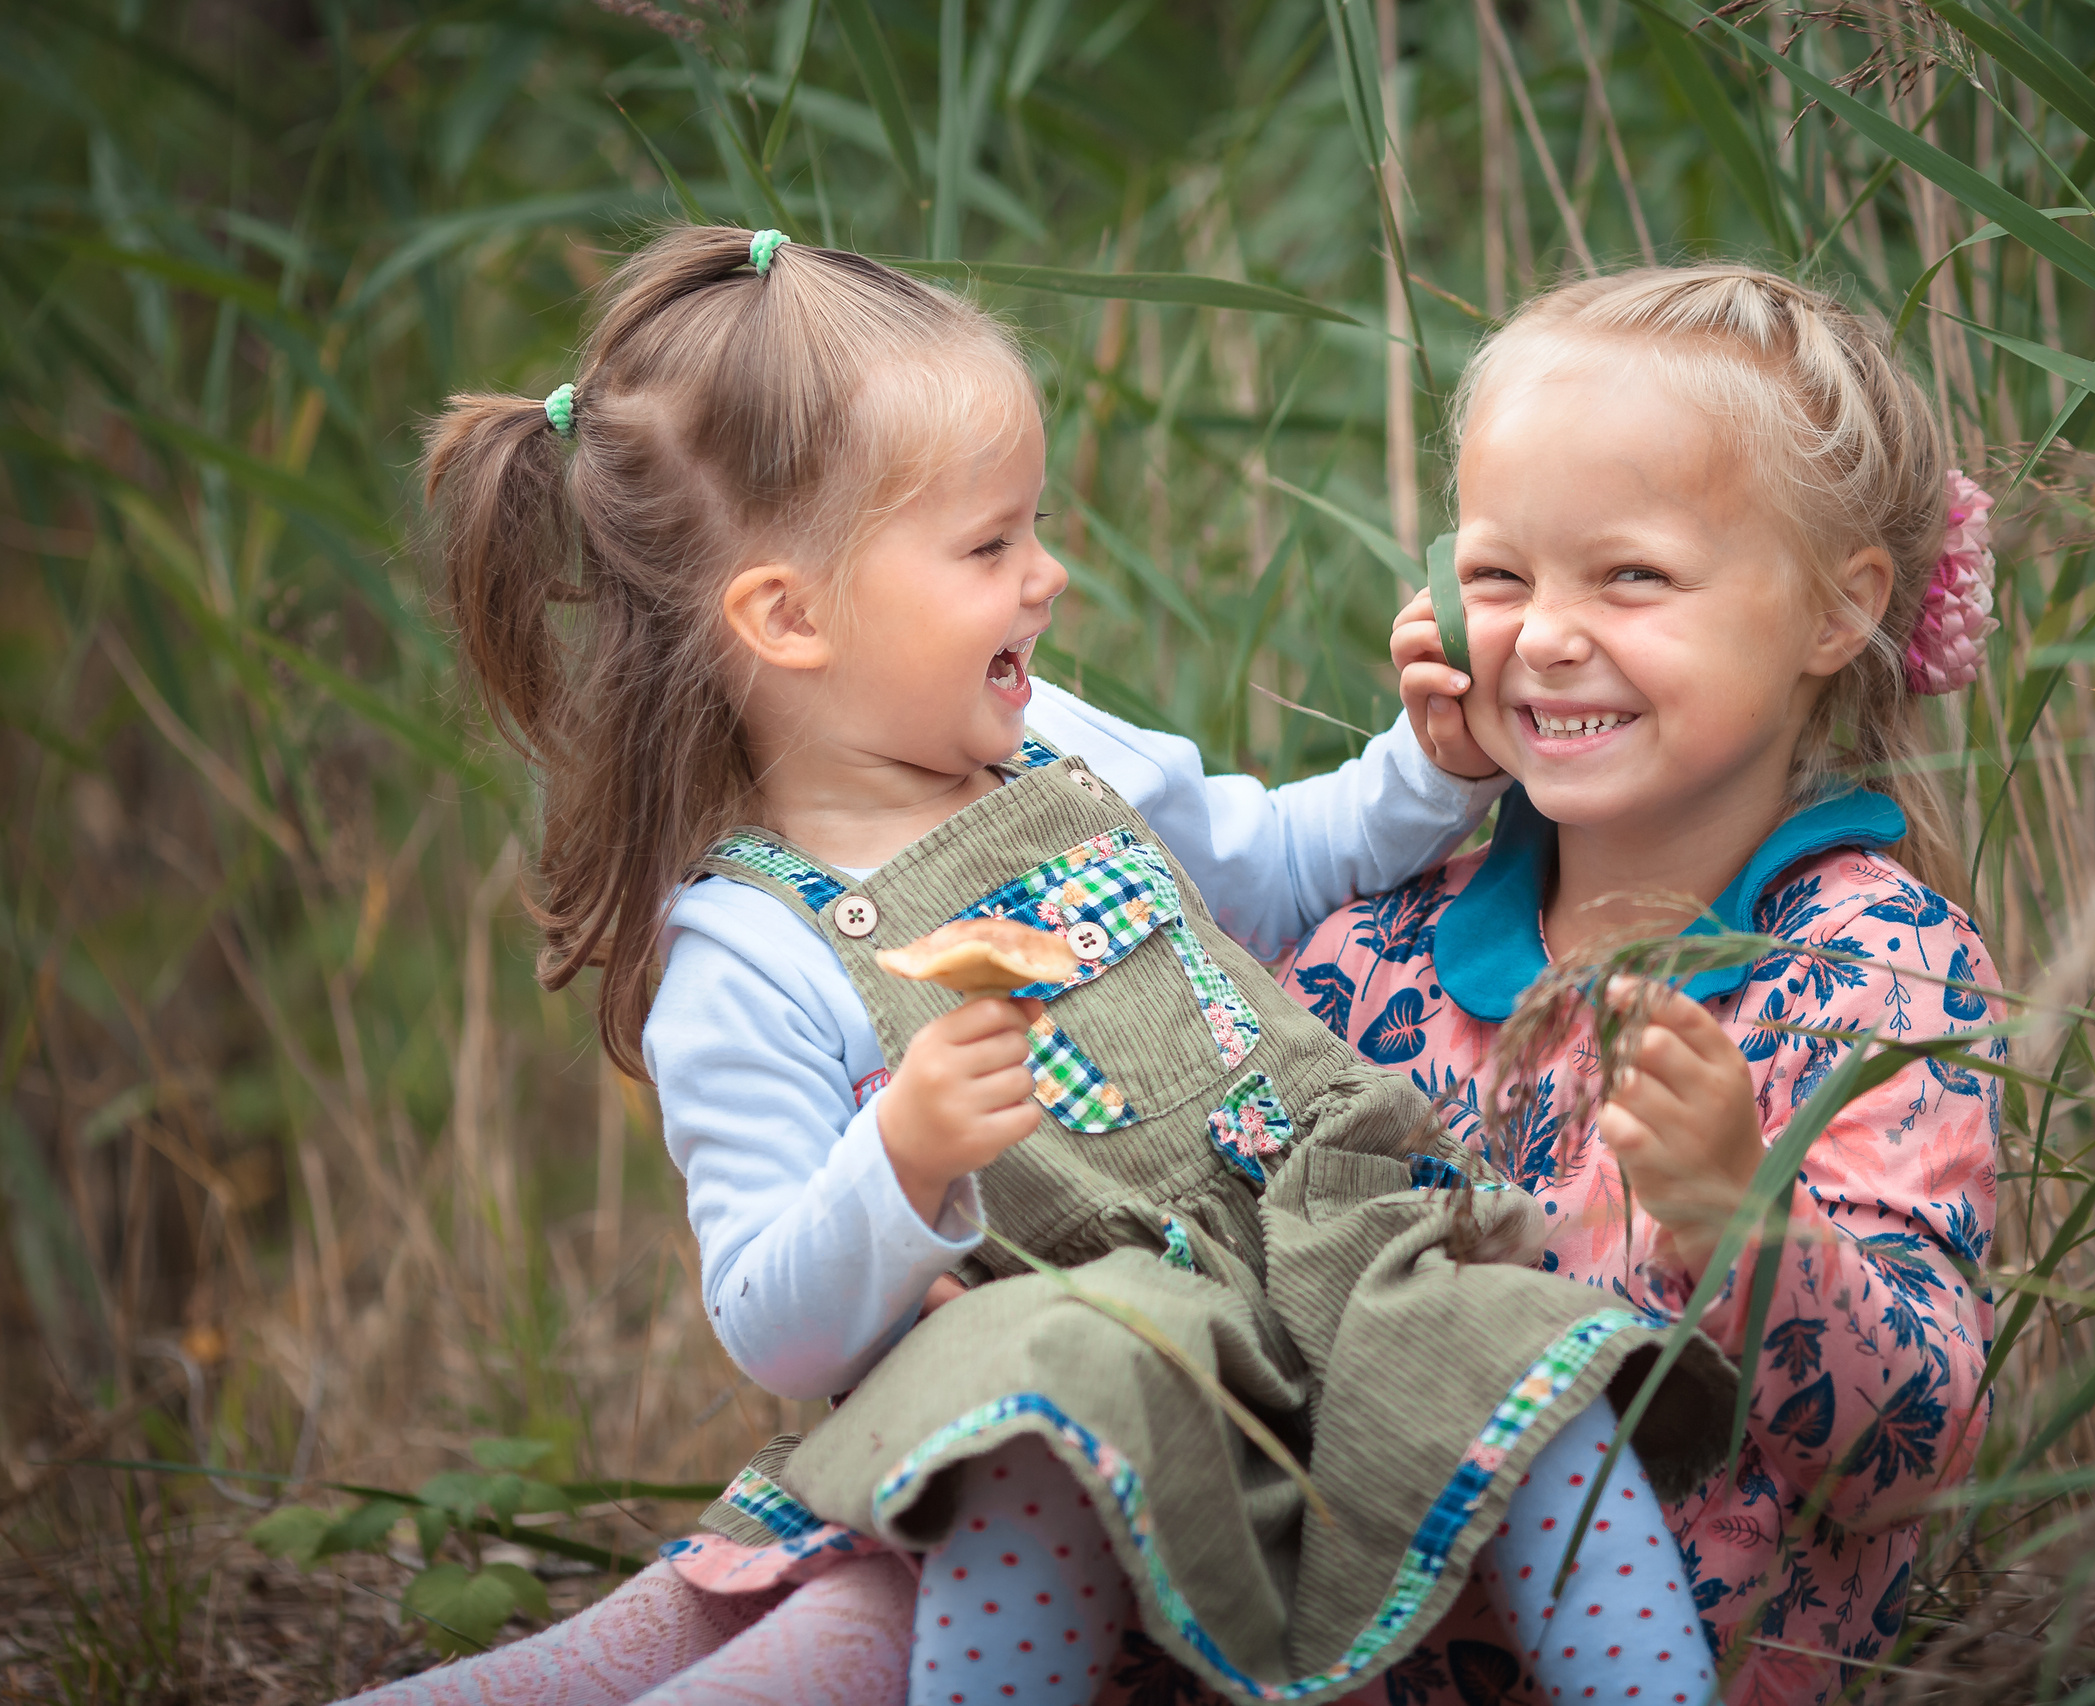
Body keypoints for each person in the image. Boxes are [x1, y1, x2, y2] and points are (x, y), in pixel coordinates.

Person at [352, 227, 1734, 1706]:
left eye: (1033, 528)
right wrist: (901, 1157)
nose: (1046, 575)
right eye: (988, 546)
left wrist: (1427, 770)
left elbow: (1265, 864)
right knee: (987, 1461)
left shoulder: (1058, 746)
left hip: (1332, 1250)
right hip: (1069, 1352)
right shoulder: (751, 951)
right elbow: (772, 1316)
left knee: (1534, 1361)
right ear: (790, 615)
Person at [1274, 265, 2007, 1706]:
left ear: (1834, 612)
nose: (1546, 632)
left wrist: (1753, 1215)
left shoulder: (1872, 975)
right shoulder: (1368, 957)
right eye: (1498, 575)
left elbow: (1913, 1446)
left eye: (1632, 576)